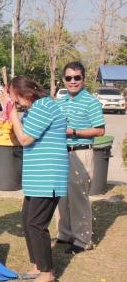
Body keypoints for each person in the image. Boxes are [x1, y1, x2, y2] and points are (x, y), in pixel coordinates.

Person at [0, 76, 69, 282]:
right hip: (36, 178)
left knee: (36, 224)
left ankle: (47, 274)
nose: (15, 102)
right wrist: (8, 116)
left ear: (25, 92)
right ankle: (39, 266)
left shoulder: (43, 107)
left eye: (14, 98)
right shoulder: (33, 110)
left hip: (47, 177)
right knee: (28, 220)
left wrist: (12, 113)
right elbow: (19, 139)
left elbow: (25, 138)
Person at [55, 62, 105, 254]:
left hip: (81, 152)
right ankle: (65, 234)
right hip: (62, 153)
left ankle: (82, 240)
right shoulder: (60, 102)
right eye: (69, 78)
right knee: (62, 196)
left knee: (78, 198)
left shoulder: (91, 102)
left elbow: (100, 130)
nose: (73, 81)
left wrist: (73, 131)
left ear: (83, 79)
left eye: (77, 77)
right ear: (64, 80)